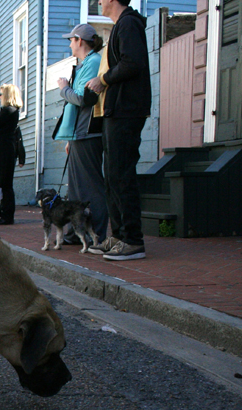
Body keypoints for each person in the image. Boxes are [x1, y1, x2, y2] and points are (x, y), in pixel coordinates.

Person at [85, 0, 151, 261]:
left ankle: (133, 241)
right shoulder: (121, 25)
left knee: (122, 175)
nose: (99, 1)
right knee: (112, 176)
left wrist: (103, 79)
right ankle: (119, 235)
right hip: (115, 111)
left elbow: (133, 62)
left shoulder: (129, 24)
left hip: (126, 110)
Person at [53, 24, 108, 242]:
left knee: (91, 187)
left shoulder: (93, 62)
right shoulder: (86, 63)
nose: (69, 44)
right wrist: (71, 137)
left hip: (88, 133)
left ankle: (97, 234)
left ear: (80, 41)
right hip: (79, 134)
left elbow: (82, 98)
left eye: (71, 40)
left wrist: (64, 88)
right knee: (77, 189)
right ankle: (78, 233)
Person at [0, 84, 25, 225]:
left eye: (1, 94)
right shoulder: (9, 111)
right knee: (1, 183)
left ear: (7, 96)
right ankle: (1, 212)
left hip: (4, 150)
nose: (0, 97)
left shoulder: (9, 111)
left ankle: (6, 215)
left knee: (5, 184)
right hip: (3, 149)